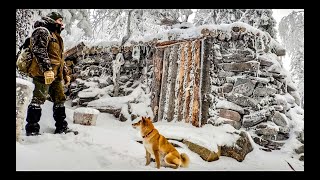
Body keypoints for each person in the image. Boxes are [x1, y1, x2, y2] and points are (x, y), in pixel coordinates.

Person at [25, 12, 76, 136]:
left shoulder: (56, 36)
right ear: (52, 20)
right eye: (59, 20)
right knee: (38, 99)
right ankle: (32, 129)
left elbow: (60, 58)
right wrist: (47, 69)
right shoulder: (42, 31)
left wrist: (65, 73)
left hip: (56, 75)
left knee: (60, 99)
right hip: (42, 74)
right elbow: (39, 50)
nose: (61, 23)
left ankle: (61, 127)